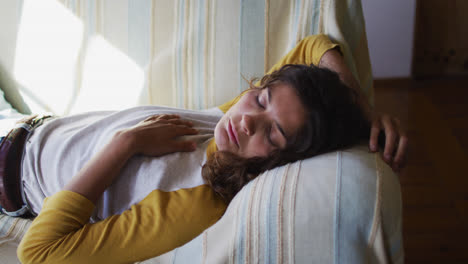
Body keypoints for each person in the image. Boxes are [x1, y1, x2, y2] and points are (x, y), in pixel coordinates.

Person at [9, 35, 407, 263]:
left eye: (273, 136)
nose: (250, 118)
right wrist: (363, 109)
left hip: (10, 175)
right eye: (263, 98)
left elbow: (40, 253)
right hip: (24, 123)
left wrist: (126, 143)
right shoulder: (230, 124)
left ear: (283, 163)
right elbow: (313, 45)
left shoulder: (195, 204)